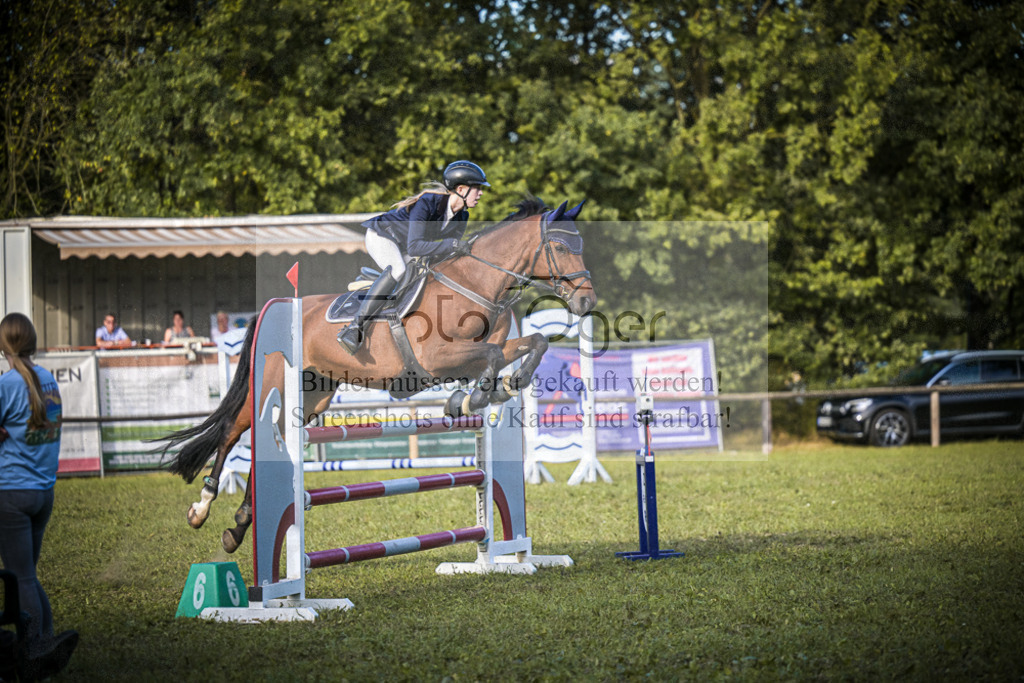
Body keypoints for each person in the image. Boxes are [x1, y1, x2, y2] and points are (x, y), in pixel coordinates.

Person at [337, 160, 490, 353]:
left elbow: (448, 253)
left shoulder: (462, 217)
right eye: (477, 188)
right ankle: (355, 328)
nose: (481, 193)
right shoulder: (428, 203)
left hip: (407, 248)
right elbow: (416, 246)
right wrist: (452, 245)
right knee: (399, 271)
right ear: (461, 189)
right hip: (383, 236)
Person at [0, 313, 78, 679]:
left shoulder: (6, 384)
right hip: (43, 492)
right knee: (29, 575)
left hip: (11, 493)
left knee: (22, 578)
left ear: (4, 346)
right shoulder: (49, 380)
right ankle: (46, 643)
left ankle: (35, 647)